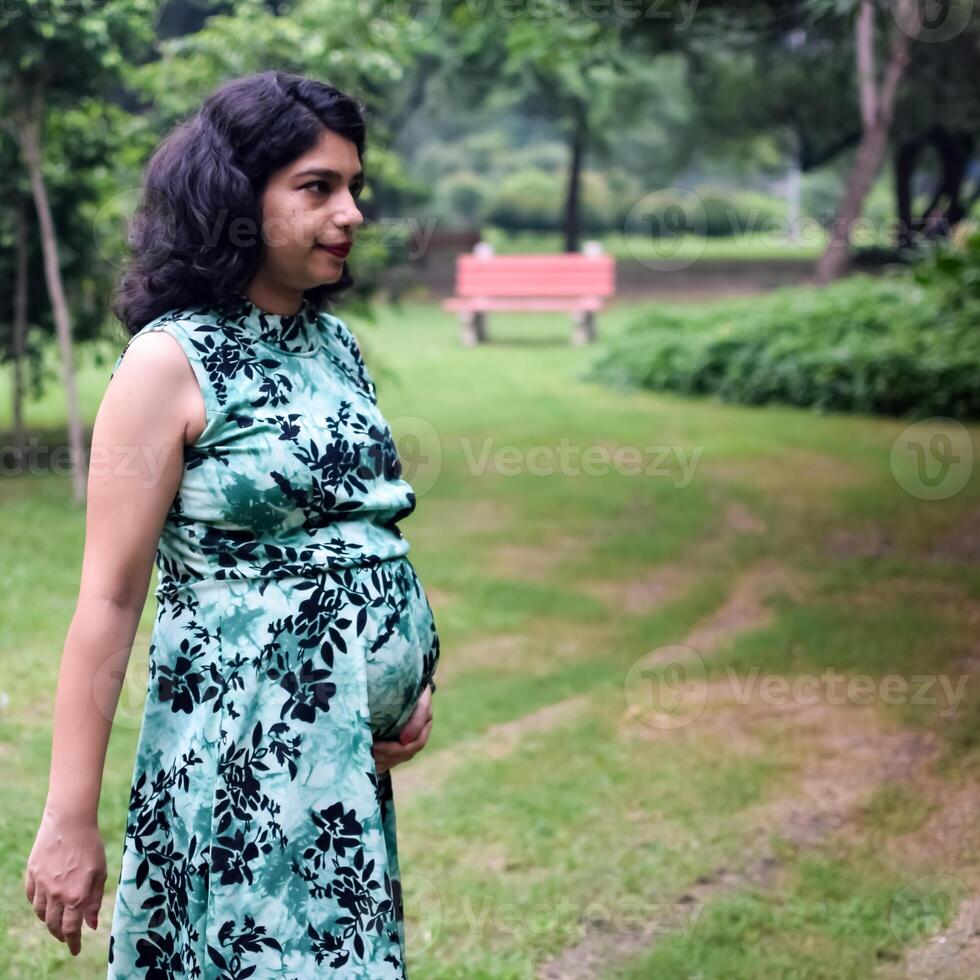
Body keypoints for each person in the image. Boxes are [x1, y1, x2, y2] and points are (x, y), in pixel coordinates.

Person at [22, 70, 440, 977]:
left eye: (354, 187)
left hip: (339, 773)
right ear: (236, 198)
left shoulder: (335, 346)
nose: (352, 213)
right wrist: (68, 818)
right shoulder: (169, 362)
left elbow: (362, 529)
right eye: (318, 187)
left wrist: (402, 681)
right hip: (239, 762)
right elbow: (109, 597)